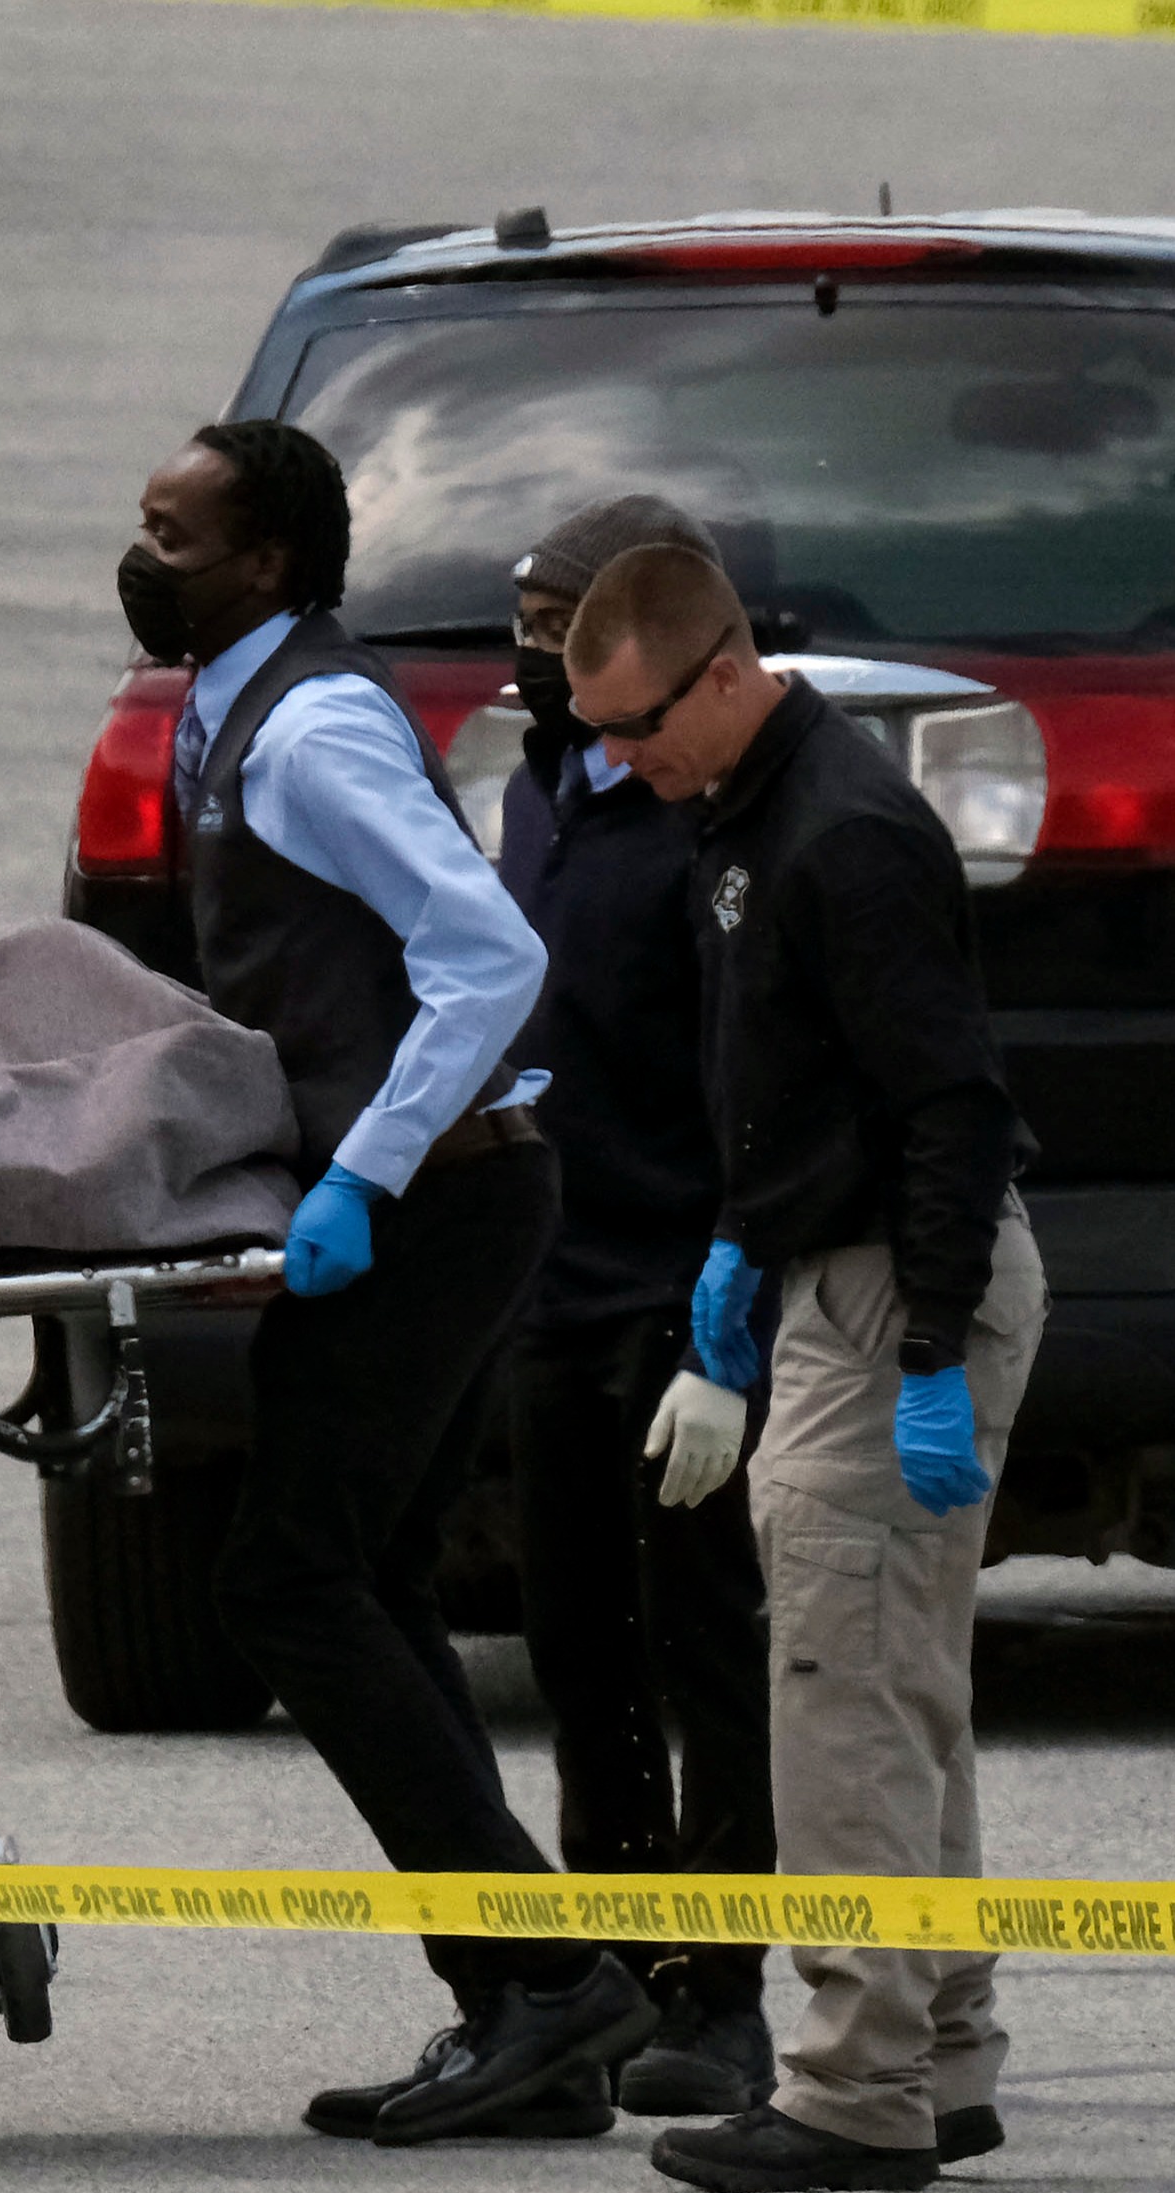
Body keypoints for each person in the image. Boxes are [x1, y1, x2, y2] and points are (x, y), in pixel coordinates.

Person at [119, 421, 651, 2148]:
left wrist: (364, 1172)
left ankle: (549, 1980)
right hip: (434, 1195)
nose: (148, 558)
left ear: (269, 564)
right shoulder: (237, 704)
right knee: (370, 1571)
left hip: (440, 1201)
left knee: (287, 1579)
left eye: (177, 536)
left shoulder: (319, 725)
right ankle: (522, 2003)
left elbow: (489, 951)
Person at [563, 545, 1040, 2193]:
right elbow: (794, 1083)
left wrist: (922, 1346)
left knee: (836, 1699)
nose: (618, 764)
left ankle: (852, 2091)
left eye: (632, 726)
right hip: (825, 1270)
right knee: (904, 1691)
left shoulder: (844, 834)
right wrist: (742, 1247)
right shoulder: (739, 818)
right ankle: (944, 2055)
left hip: (902, 1285)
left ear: (718, 673)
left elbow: (952, 1105)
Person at [495, 498, 779, 2120]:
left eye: (563, 630)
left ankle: (724, 1989)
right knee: (573, 1643)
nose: (538, 661)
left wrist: (719, 1326)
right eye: (526, 628)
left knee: (704, 1646)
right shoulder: (552, 797)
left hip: (680, 1299)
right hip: (553, 1279)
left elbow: (751, 1086)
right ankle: (609, 1964)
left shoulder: (702, 826)